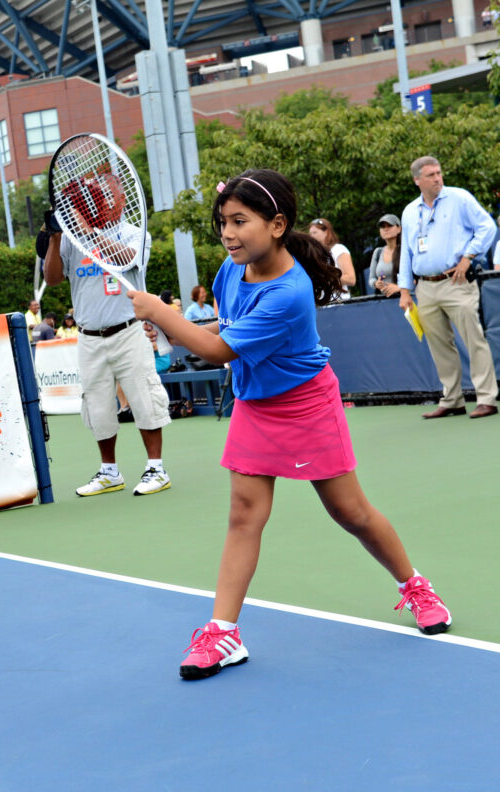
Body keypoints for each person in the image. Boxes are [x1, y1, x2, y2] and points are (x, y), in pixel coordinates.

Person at [128, 169, 452, 679]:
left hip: (306, 406)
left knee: (352, 513)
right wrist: (175, 326)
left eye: (240, 221)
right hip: (256, 405)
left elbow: (218, 349)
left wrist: (162, 314)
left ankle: (415, 586)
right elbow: (228, 329)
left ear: (276, 225)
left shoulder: (291, 292)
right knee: (243, 516)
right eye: (222, 223)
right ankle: (222, 633)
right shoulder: (230, 272)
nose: (228, 234)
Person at [42, 209, 172, 498]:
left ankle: (156, 468)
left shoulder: (134, 233)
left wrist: (90, 232)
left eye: (109, 191)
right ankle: (109, 472)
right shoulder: (68, 238)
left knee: (144, 397)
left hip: (128, 329)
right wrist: (54, 237)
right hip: (89, 335)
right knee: (97, 405)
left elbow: (128, 259)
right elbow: (51, 278)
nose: (99, 197)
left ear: (122, 198)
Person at [398, 156, 498, 420]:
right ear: (417, 180)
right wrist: (405, 291)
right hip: (425, 287)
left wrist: (468, 257)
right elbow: (406, 254)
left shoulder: (459, 198)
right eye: (431, 175)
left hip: (457, 282)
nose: (437, 178)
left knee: (473, 339)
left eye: (439, 173)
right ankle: (452, 399)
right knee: (439, 345)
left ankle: (487, 398)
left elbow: (487, 227)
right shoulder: (409, 211)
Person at [308, 217, 356, 299]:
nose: (312, 236)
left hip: (339, 303)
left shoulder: (339, 249)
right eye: (310, 234)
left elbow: (351, 279)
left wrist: (327, 277)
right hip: (322, 303)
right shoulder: (315, 254)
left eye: (315, 232)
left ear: (326, 232)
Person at [369, 214, 403, 297]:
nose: (386, 229)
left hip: (404, 298)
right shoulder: (378, 252)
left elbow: (416, 279)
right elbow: (371, 279)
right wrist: (376, 283)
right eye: (383, 227)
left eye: (390, 226)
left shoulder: (405, 250)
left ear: (399, 229)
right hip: (384, 302)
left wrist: (400, 287)